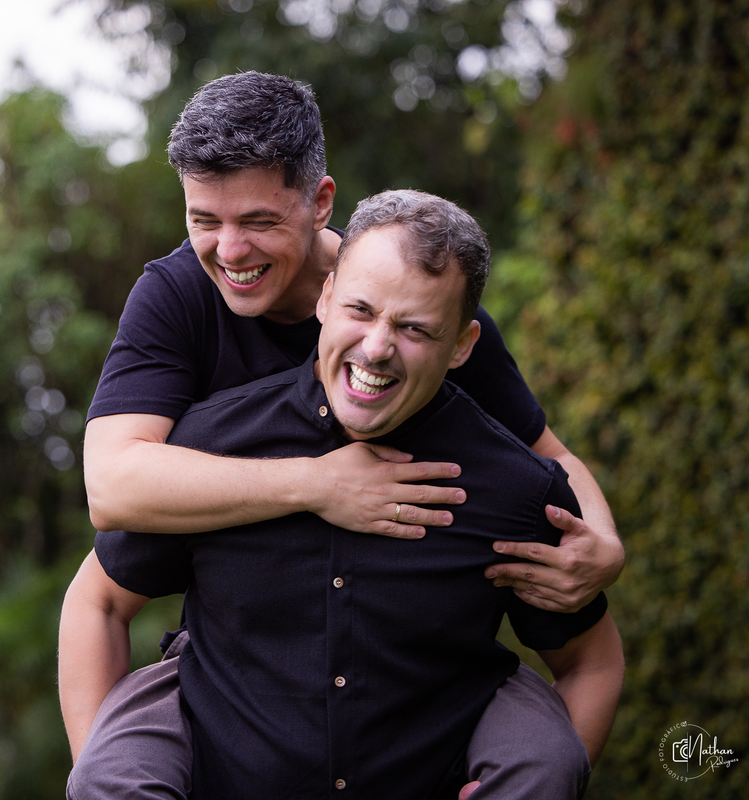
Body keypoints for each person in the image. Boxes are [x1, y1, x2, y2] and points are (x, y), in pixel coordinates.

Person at [64, 72, 623, 797]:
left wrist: (603, 545)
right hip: (240, 647)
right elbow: (112, 489)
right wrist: (318, 482)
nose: (230, 250)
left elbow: (546, 461)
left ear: (320, 203)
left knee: (538, 752)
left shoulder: (426, 297)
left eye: (259, 220)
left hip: (422, 676)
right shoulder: (178, 298)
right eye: (204, 219)